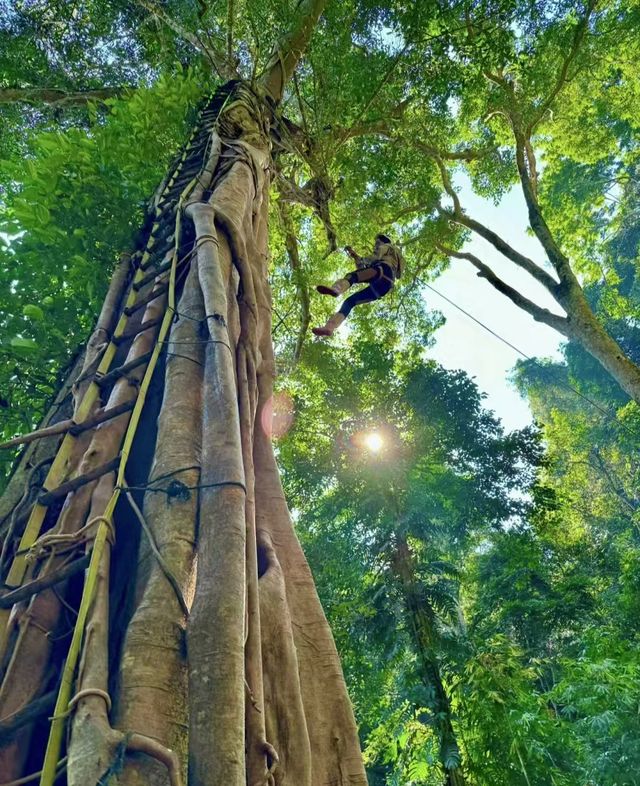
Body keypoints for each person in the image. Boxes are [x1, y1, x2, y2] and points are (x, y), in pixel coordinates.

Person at [312, 234, 403, 337]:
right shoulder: (392, 258)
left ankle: (336, 289)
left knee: (351, 277)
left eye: (377, 243)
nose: (375, 247)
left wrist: (364, 259)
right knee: (349, 302)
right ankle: (329, 327)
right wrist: (354, 255)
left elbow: (374, 257)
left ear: (384, 242)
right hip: (383, 287)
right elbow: (362, 269)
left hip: (382, 271)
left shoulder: (388, 247)